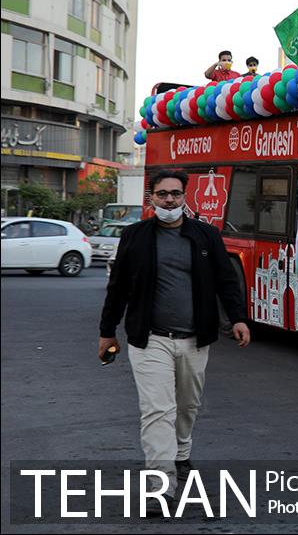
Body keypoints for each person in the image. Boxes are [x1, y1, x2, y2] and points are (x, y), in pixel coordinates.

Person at [98, 169, 250, 510]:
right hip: (149, 339)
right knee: (156, 410)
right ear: (151, 198)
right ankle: (160, 486)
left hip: (195, 339)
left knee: (187, 404)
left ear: (185, 197)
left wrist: (238, 318)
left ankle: (181, 452)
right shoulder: (135, 236)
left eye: (176, 194)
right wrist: (107, 332)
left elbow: (226, 281)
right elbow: (118, 287)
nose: (169, 200)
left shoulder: (206, 236)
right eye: (163, 194)